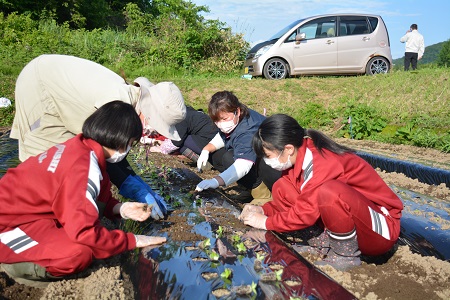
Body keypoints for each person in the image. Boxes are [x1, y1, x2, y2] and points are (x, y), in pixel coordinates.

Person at [0, 101, 167, 284]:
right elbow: (84, 232)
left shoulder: (83, 147)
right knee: (78, 254)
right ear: (122, 139)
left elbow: (90, 200)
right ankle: (15, 264)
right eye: (131, 143)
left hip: (30, 214)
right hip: (9, 225)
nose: (129, 149)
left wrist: (120, 208)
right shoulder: (82, 168)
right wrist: (131, 240)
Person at [10, 54, 187, 219]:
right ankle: (35, 222)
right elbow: (103, 151)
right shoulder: (117, 101)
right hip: (41, 89)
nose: (150, 131)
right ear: (149, 113)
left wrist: (136, 183)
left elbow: (111, 152)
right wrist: (133, 187)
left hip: (51, 82)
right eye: (154, 125)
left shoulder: (129, 100)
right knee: (49, 163)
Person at [239, 114, 403, 271]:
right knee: (281, 187)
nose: (267, 162)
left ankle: (345, 255)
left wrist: (265, 222)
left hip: (380, 231)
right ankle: (321, 243)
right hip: (352, 224)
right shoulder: (298, 160)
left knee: (331, 192)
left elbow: (305, 213)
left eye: (268, 155)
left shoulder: (323, 162)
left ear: (288, 149)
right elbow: (301, 202)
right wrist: (263, 210)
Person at [194, 91, 281, 204]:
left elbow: (243, 166)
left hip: (275, 166)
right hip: (262, 158)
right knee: (226, 157)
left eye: (224, 119)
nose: (220, 124)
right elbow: (222, 135)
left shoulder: (248, 128)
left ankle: (264, 196)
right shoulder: (236, 119)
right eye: (216, 121)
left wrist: (215, 181)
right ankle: (250, 190)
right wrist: (206, 149)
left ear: (237, 111)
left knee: (229, 159)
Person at [144, 106, 218, 169]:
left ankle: (204, 163)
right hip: (212, 139)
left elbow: (177, 141)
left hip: (208, 142)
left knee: (181, 143)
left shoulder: (180, 119)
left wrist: (161, 149)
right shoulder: (185, 111)